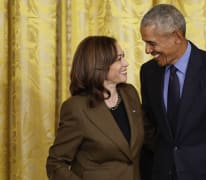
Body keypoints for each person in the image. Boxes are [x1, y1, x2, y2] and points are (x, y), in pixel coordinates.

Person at [139, 4, 206, 180]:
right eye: (145, 43)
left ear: (176, 36)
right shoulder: (148, 72)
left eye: (151, 43)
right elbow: (150, 128)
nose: (147, 50)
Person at [46, 36, 144, 180]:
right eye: (119, 59)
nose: (126, 63)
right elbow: (55, 164)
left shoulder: (130, 93)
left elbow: (144, 139)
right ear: (99, 64)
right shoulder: (76, 108)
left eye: (124, 57)